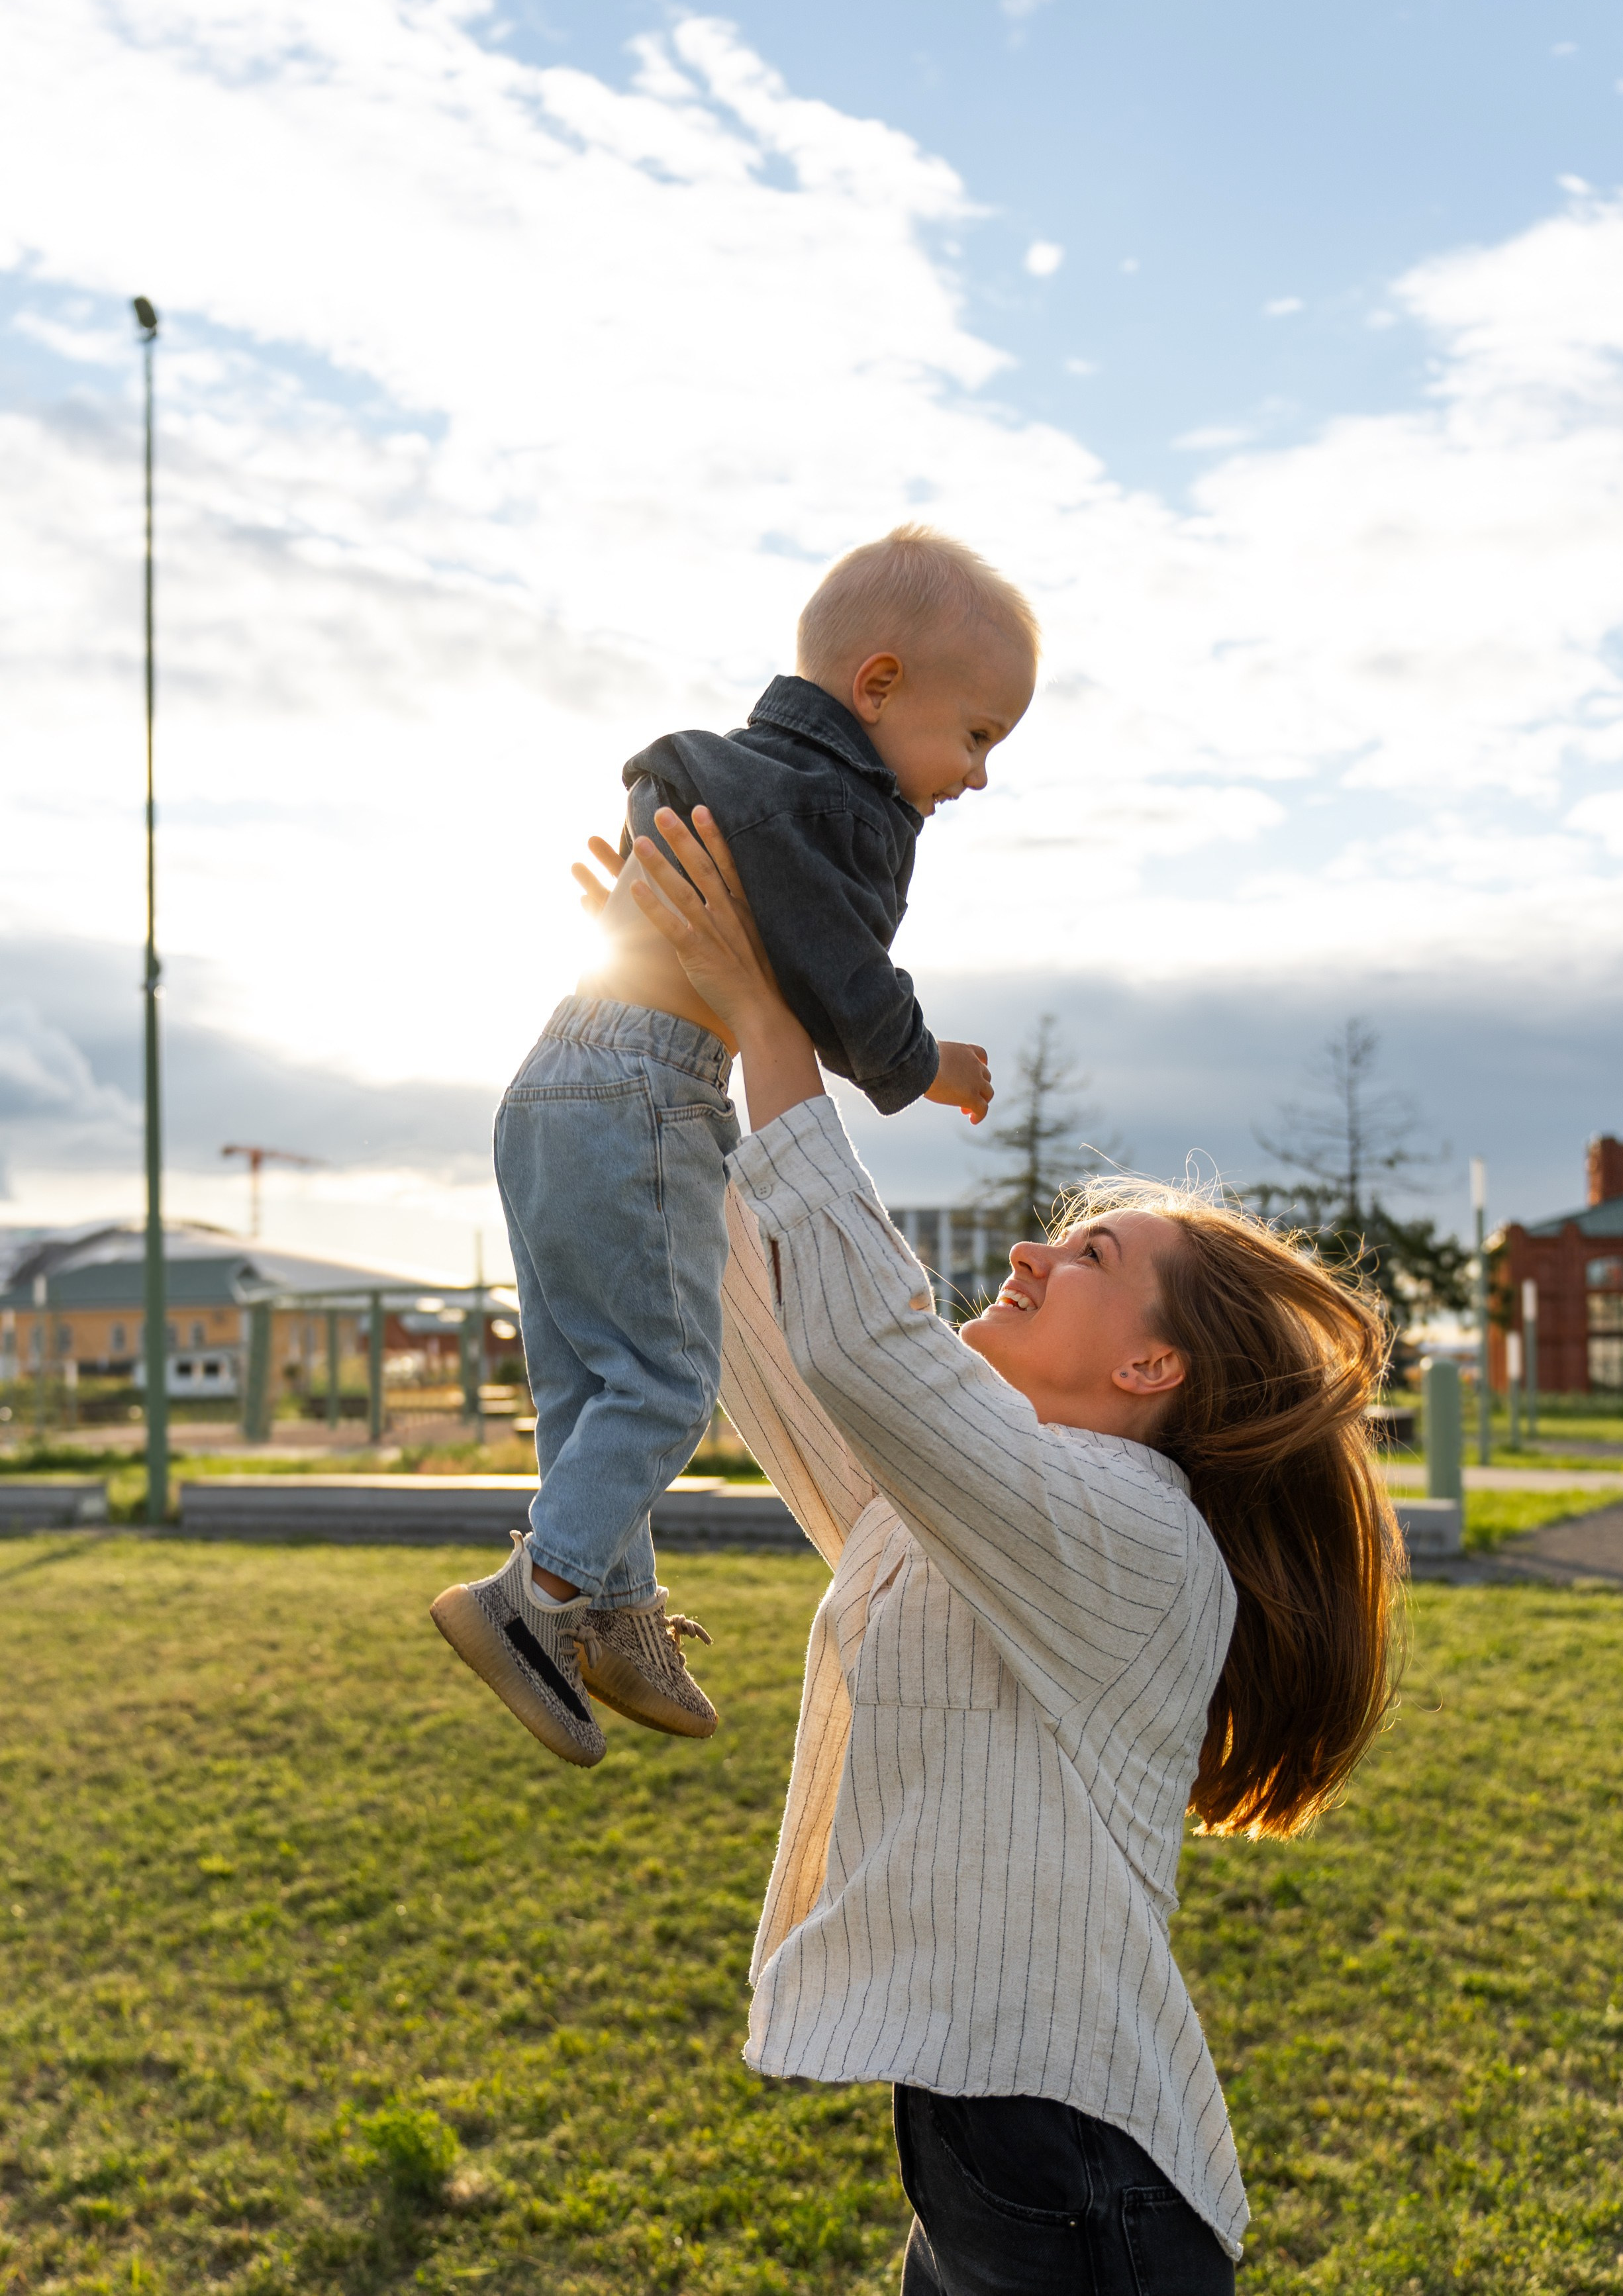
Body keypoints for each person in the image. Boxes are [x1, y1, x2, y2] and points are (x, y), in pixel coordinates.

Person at [616, 804, 1403, 2294]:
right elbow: (784, 1337)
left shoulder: (1132, 1534)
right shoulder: (979, 1512)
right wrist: (663, 1024)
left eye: (1091, 1255)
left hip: (1081, 2186)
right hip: (1005, 2169)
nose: (1034, 1252)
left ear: (1154, 1371)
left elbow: (871, 1337)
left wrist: (769, 1012)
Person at [431, 526, 1039, 1768]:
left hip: (551, 1077)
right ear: (877, 689)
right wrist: (928, 1065)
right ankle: (535, 1600)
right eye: (976, 736)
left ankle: (614, 1611)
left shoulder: (707, 768)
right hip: (651, 1091)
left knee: (587, 1383)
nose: (976, 776)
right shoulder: (848, 813)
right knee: (660, 1384)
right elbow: (839, 976)